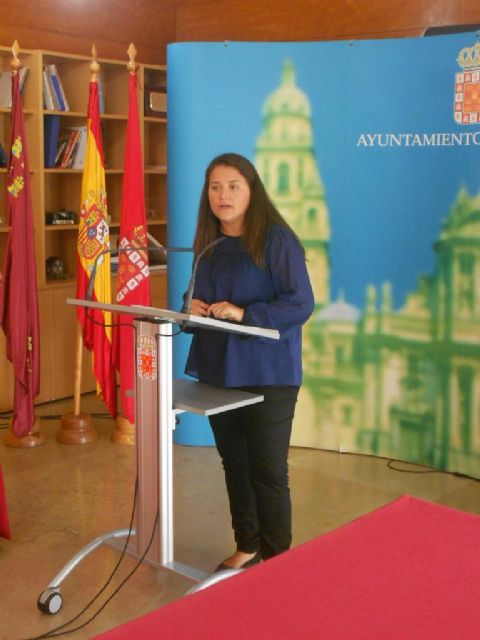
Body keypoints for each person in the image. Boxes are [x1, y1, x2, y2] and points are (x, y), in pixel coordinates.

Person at [184, 152, 314, 571]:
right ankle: (248, 545)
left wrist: (244, 314)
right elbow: (194, 297)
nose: (223, 195)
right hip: (220, 372)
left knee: (268, 470)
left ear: (252, 191)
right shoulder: (209, 244)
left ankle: (278, 564)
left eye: (233, 186)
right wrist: (192, 308)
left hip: (268, 373)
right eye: (215, 187)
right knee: (235, 464)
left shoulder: (276, 240)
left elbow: (300, 303)